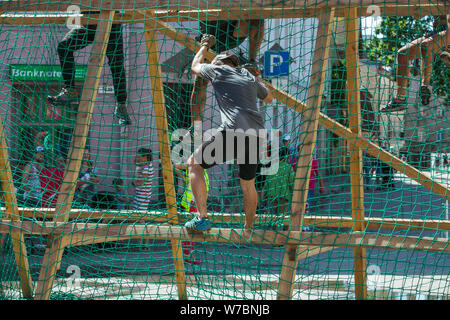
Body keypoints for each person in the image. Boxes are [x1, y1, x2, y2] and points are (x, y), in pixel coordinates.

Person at [184, 39, 273, 232]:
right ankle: (249, 228)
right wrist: (257, 79)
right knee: (248, 184)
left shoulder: (218, 70)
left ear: (218, 63)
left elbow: (195, 66)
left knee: (194, 164)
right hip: (257, 135)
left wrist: (205, 46)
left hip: (234, 130)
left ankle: (202, 218)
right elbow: (269, 97)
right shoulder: (248, 78)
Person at [47, 15, 131, 125]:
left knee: (117, 63)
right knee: (64, 46)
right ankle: (70, 91)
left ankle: (121, 105)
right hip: (89, 23)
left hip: (111, 24)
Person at [188, 20, 265, 134]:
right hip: (209, 36)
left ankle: (252, 60)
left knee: (258, 20)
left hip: (229, 31)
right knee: (200, 84)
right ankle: (195, 127)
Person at [382, 15, 448, 112]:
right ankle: (400, 100)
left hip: (448, 32)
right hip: (438, 32)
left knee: (426, 45)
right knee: (402, 54)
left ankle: (425, 86)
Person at [263, 148, 294, 215]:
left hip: (272, 196)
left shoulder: (272, 167)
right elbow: (292, 183)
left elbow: (266, 184)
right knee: (281, 218)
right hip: (283, 197)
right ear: (287, 157)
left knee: (273, 218)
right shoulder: (288, 168)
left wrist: (264, 198)